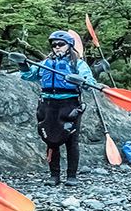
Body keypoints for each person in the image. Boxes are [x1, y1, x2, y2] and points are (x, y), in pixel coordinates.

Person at [11, 30, 98, 186]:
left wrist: (82, 81)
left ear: (69, 46)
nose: (57, 47)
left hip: (69, 104)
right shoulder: (45, 63)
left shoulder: (78, 64)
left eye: (60, 44)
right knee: (51, 140)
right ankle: (54, 176)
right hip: (48, 105)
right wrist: (23, 64)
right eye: (54, 45)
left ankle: (71, 176)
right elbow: (28, 76)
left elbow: (89, 85)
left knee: (71, 141)